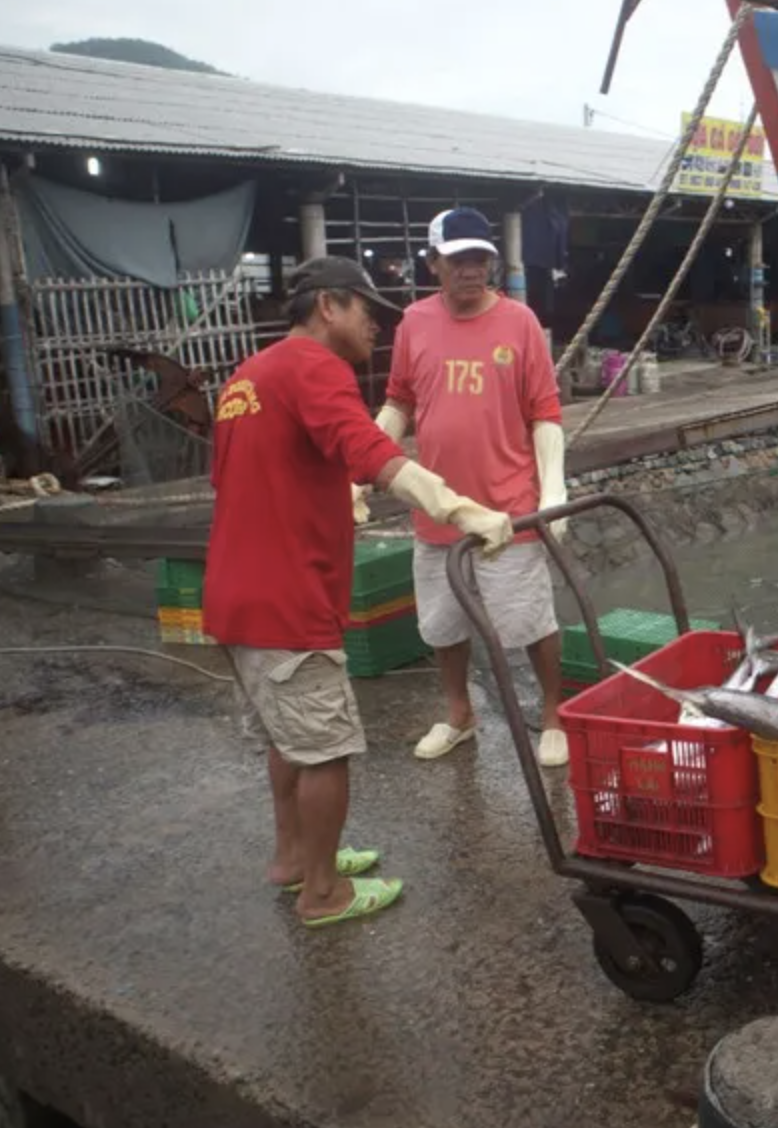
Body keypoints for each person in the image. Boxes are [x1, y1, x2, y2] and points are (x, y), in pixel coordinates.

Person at [204, 256, 513, 928]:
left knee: (288, 740)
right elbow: (371, 449)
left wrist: (329, 498)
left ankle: (295, 860)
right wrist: (463, 510)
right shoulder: (318, 367)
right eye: (365, 309)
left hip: (235, 596)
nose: (376, 323)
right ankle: (323, 893)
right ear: (327, 307)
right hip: (289, 601)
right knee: (327, 750)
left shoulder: (246, 378)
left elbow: (239, 478)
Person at [365, 206, 571, 768]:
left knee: (531, 620)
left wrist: (553, 489)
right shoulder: (413, 322)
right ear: (433, 263)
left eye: (480, 258)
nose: (471, 269)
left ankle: (554, 715)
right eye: (458, 259)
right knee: (441, 624)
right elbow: (399, 401)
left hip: (509, 508)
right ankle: (459, 714)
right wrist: (365, 463)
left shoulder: (520, 322)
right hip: (435, 508)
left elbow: (545, 412)